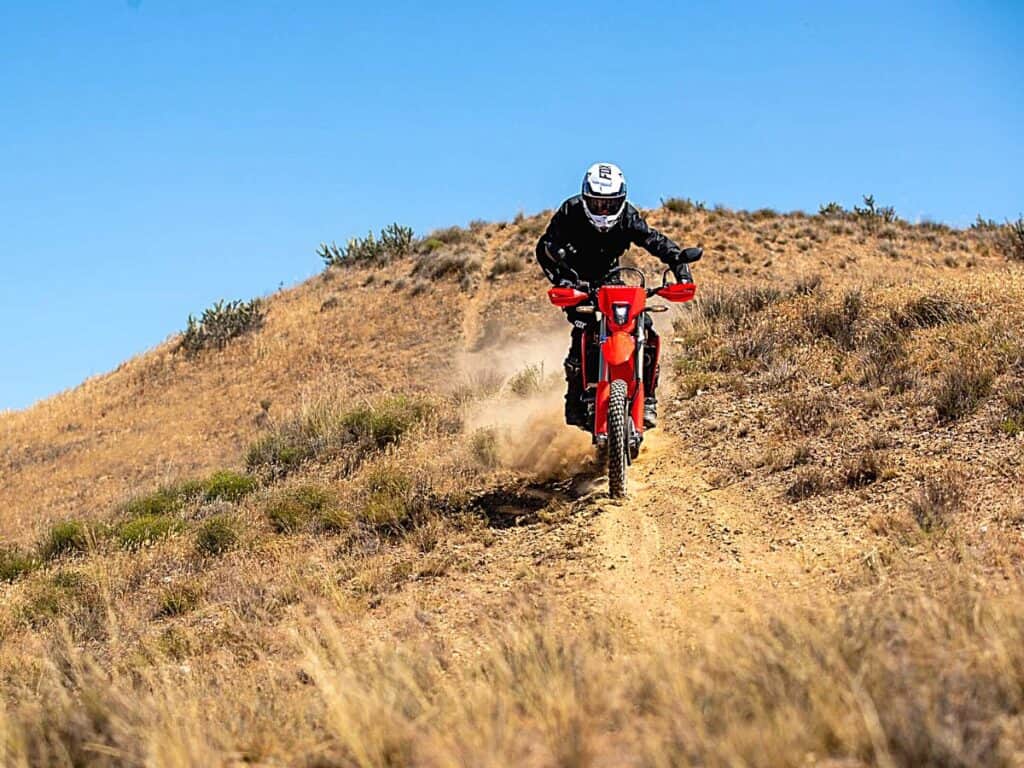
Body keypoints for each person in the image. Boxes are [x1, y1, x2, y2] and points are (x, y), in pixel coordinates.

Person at [536, 162, 698, 429]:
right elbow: (546, 248)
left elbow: (654, 240)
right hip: (575, 279)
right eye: (597, 203)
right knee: (583, 329)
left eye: (610, 204)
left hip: (609, 278)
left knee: (644, 327)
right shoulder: (570, 212)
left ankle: (648, 400)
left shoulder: (628, 217)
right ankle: (575, 400)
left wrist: (680, 266)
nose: (603, 210)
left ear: (621, 200)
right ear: (585, 198)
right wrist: (563, 279)